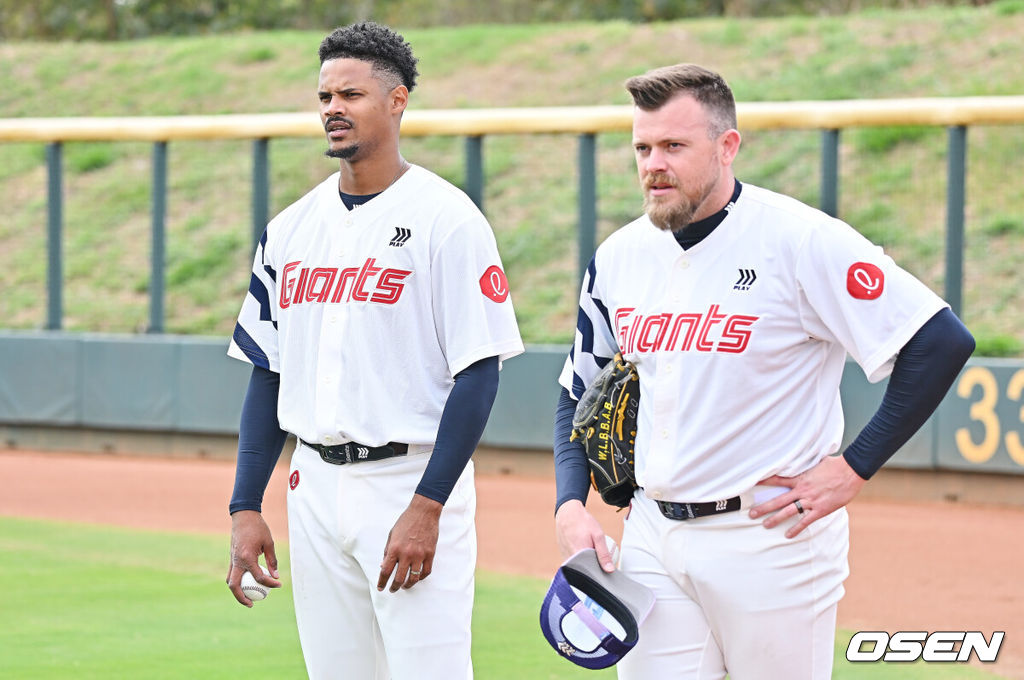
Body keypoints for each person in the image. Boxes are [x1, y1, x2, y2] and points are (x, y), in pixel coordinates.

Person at [552, 63, 975, 679]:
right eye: (642, 148)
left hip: (768, 541)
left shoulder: (801, 240)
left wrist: (853, 468)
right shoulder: (619, 256)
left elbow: (940, 340)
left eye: (674, 145)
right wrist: (569, 503)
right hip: (649, 537)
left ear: (727, 147)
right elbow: (577, 392)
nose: (653, 165)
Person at [224, 22, 523, 679]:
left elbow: (479, 375)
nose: (333, 107)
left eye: (351, 94)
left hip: (407, 481)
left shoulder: (449, 220)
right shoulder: (290, 229)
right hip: (313, 486)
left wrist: (429, 503)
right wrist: (246, 505)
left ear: (397, 101)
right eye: (325, 95)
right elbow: (266, 377)